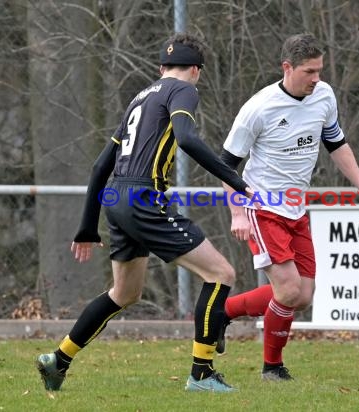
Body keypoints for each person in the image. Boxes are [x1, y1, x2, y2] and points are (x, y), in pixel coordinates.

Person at [35, 33, 255, 393]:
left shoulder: (139, 98)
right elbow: (186, 138)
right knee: (220, 274)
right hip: (142, 197)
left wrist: (88, 226)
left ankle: (58, 360)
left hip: (116, 199)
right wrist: (237, 180)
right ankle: (201, 374)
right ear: (196, 70)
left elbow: (99, 167)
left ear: (161, 68)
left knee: (124, 293)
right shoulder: (183, 90)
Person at [217, 33, 359, 381]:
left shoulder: (323, 95)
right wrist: (237, 212)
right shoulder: (259, 107)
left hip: (296, 209)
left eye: (319, 70)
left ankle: (222, 312)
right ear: (287, 67)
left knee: (303, 295)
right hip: (262, 206)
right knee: (288, 290)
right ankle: (272, 368)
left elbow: (335, 141)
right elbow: (225, 164)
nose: (316, 78)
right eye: (309, 71)